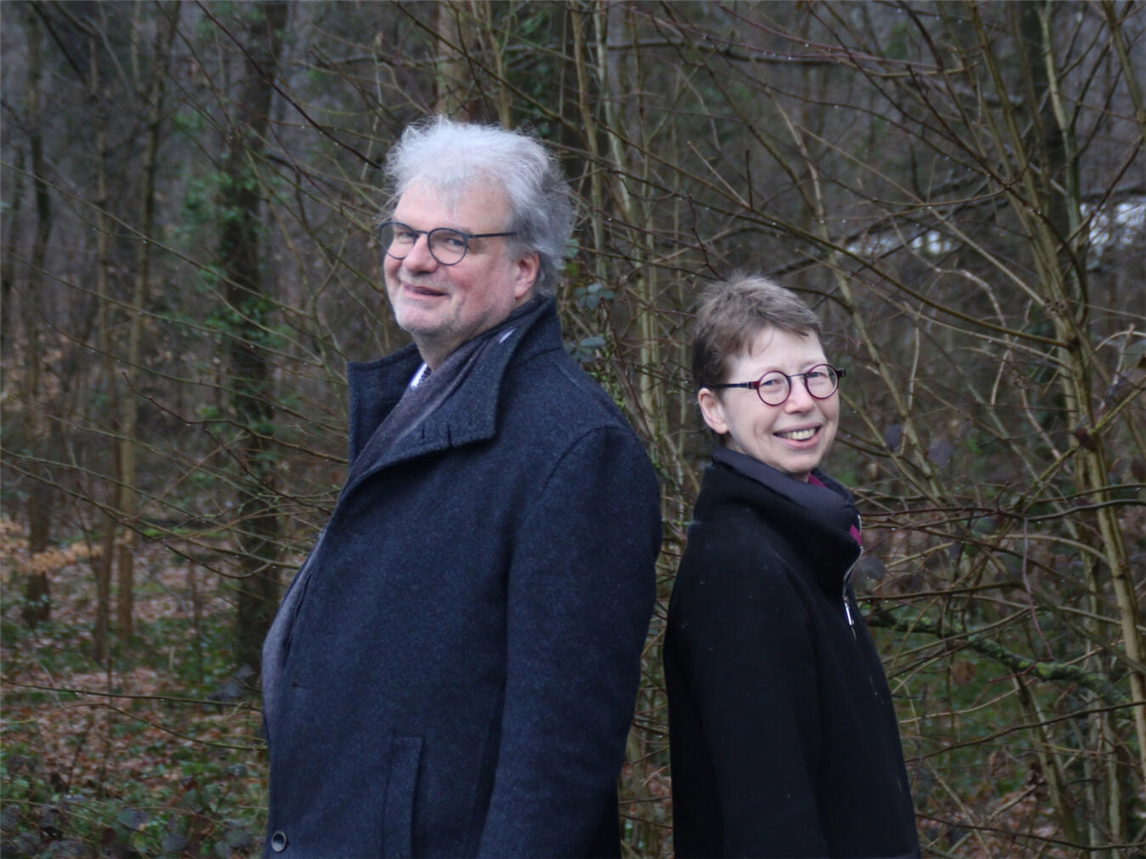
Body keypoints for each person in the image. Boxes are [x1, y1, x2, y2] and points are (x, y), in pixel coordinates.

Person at [261, 117, 662, 859]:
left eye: (454, 241)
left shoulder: (578, 450)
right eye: (404, 232)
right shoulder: (414, 399)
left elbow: (559, 757)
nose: (415, 259)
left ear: (524, 270)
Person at [664, 275, 919, 858]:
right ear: (715, 409)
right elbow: (769, 823)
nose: (802, 401)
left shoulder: (809, 538)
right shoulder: (740, 570)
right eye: (770, 384)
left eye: (815, 375)